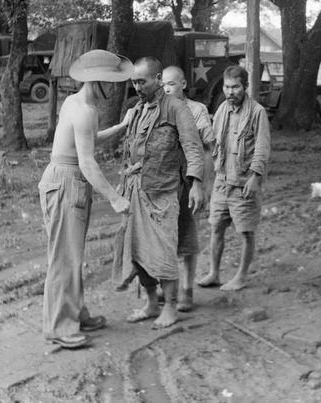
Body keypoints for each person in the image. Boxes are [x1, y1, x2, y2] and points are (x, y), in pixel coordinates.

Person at [39, 50, 133, 349]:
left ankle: (76, 314)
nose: (115, 86)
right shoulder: (85, 110)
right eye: (112, 81)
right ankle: (60, 327)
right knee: (64, 259)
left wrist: (118, 128)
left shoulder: (78, 103)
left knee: (72, 256)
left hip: (65, 179)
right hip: (68, 180)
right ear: (97, 80)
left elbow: (87, 140)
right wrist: (115, 196)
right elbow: (88, 161)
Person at [113, 57, 205, 329]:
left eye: (141, 81)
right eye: (133, 81)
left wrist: (197, 183)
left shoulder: (177, 108)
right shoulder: (138, 109)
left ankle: (171, 308)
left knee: (164, 252)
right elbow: (131, 146)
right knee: (137, 249)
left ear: (157, 79)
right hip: (135, 189)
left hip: (164, 192)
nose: (136, 86)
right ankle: (152, 303)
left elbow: (193, 148)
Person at [197, 65, 270, 291]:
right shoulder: (221, 110)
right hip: (222, 182)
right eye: (227, 87)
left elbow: (262, 147)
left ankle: (241, 276)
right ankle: (214, 273)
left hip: (243, 184)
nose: (230, 92)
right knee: (216, 227)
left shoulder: (257, 112)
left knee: (246, 232)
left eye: (235, 87)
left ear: (245, 87)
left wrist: (255, 178)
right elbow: (213, 144)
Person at [162, 65, 215, 312]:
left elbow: (207, 149)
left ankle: (187, 289)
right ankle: (166, 289)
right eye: (163, 84)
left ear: (183, 84)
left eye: (171, 84)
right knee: (163, 239)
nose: (166, 88)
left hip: (186, 183)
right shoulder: (159, 110)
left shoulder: (196, 110)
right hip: (164, 184)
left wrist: (199, 185)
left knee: (187, 237)